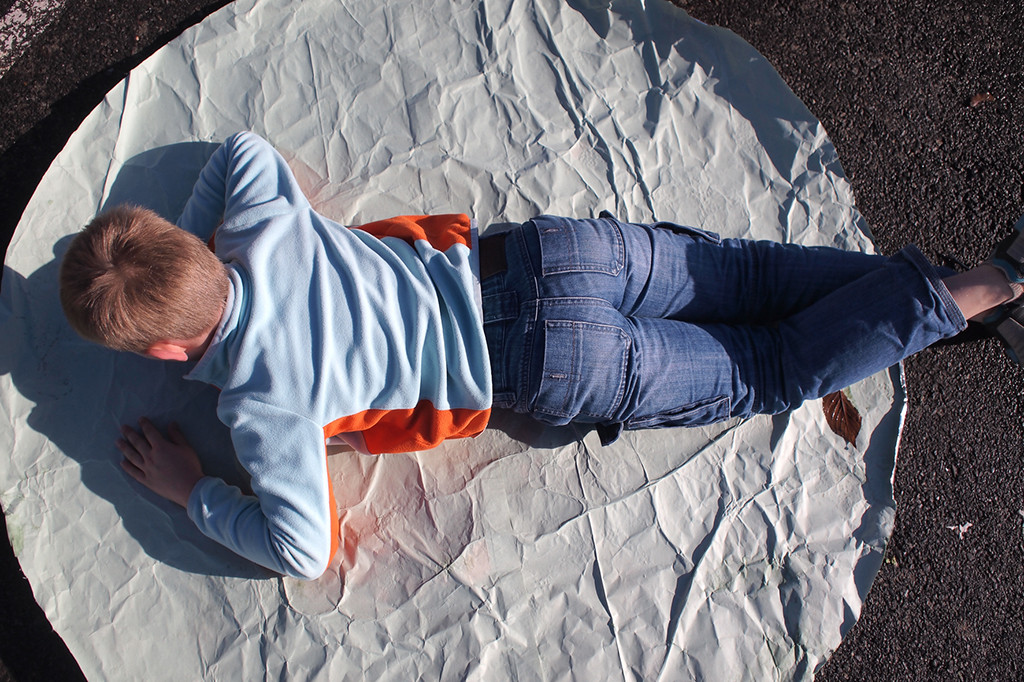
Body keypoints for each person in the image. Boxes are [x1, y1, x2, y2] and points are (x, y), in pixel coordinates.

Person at [58, 131, 1024, 580]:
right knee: (746, 271)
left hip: (551, 362)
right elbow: (239, 149)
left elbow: (302, 549)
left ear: (174, 347)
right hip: (549, 254)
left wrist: (194, 491)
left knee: (766, 367)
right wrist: (191, 245)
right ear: (191, 247)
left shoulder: (262, 407)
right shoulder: (261, 220)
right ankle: (939, 282)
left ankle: (976, 290)